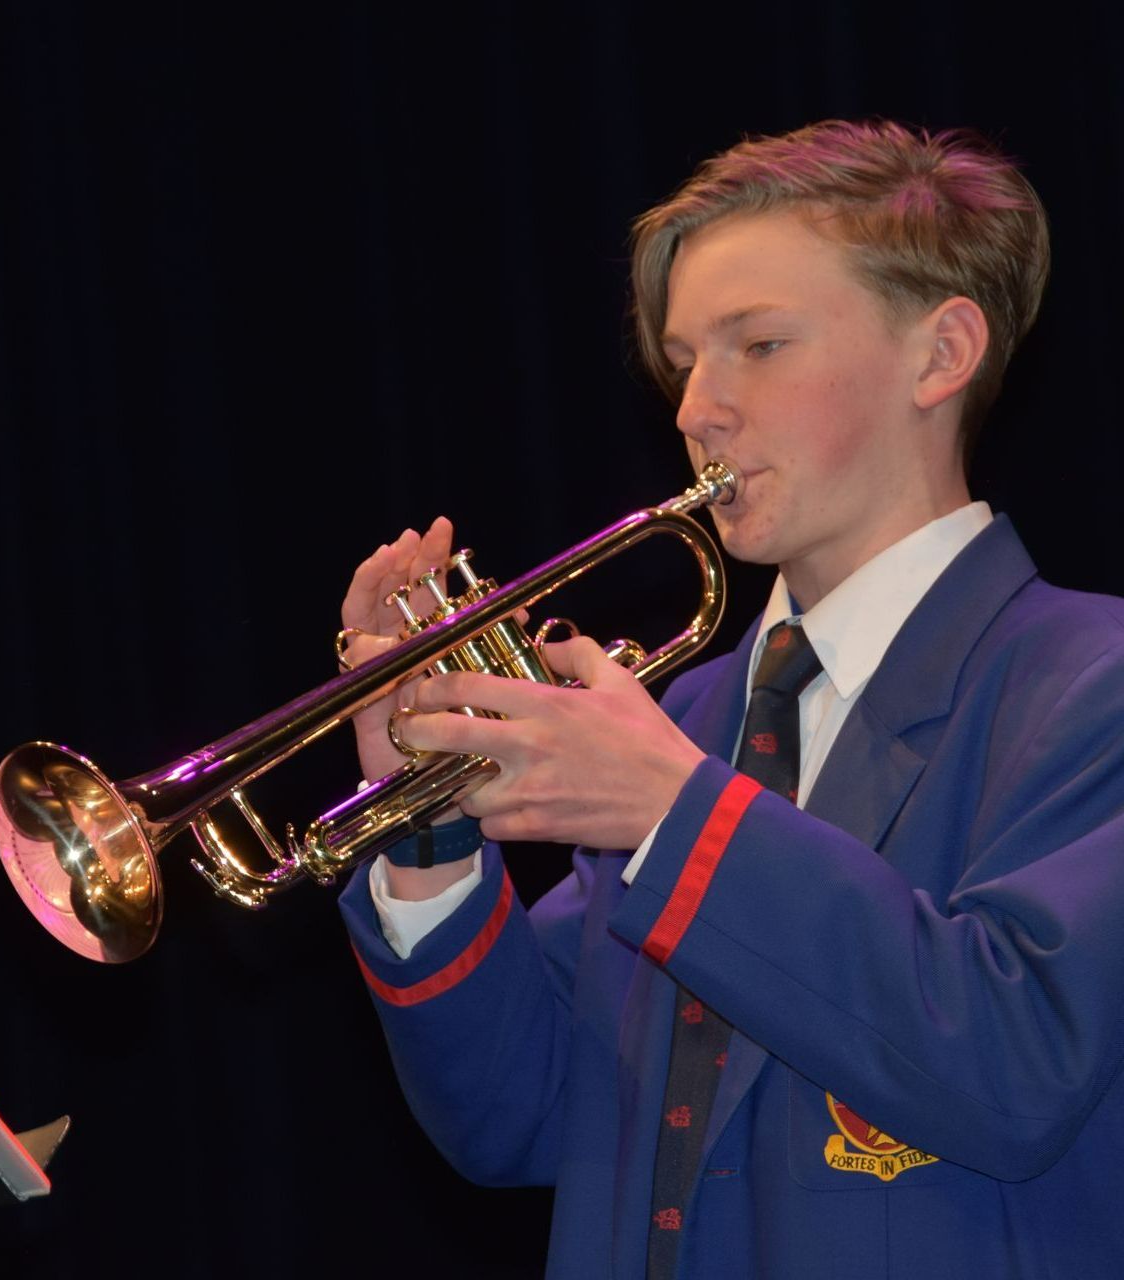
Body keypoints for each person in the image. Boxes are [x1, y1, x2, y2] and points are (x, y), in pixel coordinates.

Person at [336, 120, 1124, 1278]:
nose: (693, 408)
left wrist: (671, 811)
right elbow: (519, 1115)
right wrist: (428, 829)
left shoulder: (1086, 679)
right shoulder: (692, 719)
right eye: (681, 359)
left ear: (940, 351)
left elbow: (1015, 1058)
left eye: (756, 344)